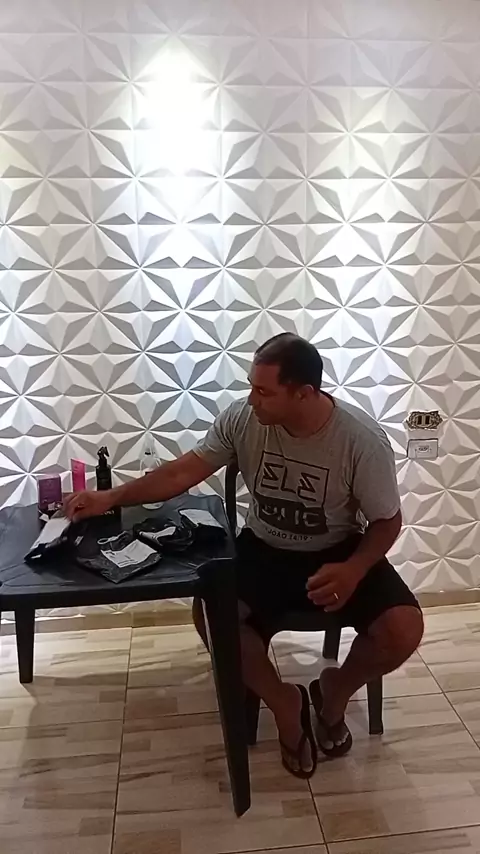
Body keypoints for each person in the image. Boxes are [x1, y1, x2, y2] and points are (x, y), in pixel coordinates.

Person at [64, 333, 423, 779]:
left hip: (339, 552)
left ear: (303, 393)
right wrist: (111, 496)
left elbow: (387, 521)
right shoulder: (243, 418)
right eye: (252, 386)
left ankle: (334, 692)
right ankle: (285, 703)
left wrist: (354, 569)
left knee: (404, 628)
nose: (252, 399)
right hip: (264, 547)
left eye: (263, 391)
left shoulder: (360, 440)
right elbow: (182, 471)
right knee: (212, 614)